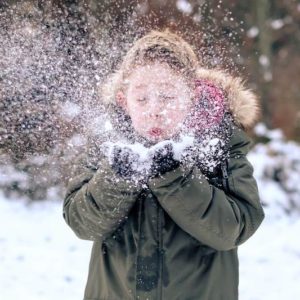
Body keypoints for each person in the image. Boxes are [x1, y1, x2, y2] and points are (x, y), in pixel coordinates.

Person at [63, 29, 265, 300]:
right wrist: (117, 177)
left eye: (168, 97)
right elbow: (82, 223)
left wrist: (175, 177)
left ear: (192, 97)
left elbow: (234, 229)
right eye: (142, 98)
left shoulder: (219, 142)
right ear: (125, 101)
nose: (155, 109)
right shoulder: (108, 145)